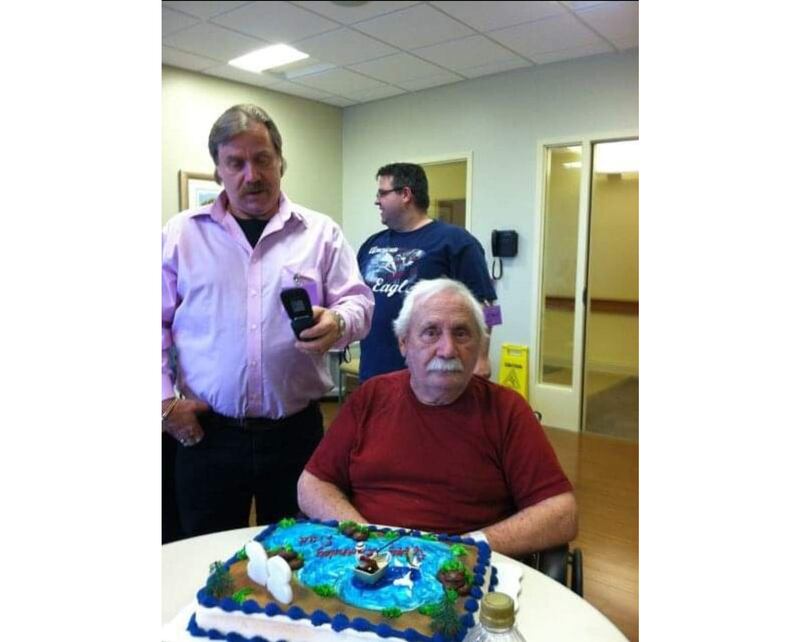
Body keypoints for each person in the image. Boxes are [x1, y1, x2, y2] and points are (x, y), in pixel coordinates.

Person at [162, 104, 374, 538]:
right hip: (206, 435)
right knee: (204, 553)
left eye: (262, 159)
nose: (251, 175)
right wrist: (163, 403)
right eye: (235, 163)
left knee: (300, 556)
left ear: (281, 162)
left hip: (296, 435)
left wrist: (338, 321)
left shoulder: (320, 233)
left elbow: (360, 305)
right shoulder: (181, 234)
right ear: (219, 169)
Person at [298, 278, 577, 558]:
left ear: (479, 344)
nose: (447, 350)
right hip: (366, 564)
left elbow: (562, 513)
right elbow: (312, 485)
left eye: (462, 333)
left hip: (461, 573)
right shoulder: (370, 397)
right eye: (431, 332)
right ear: (404, 343)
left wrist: (466, 547)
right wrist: (368, 540)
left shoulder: (506, 410)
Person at [357, 163, 497, 382]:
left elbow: (489, 307)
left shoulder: (456, 242)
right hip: (375, 372)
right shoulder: (371, 244)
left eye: (382, 193)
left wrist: (482, 358)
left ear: (405, 194)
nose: (377, 200)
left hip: (433, 373)